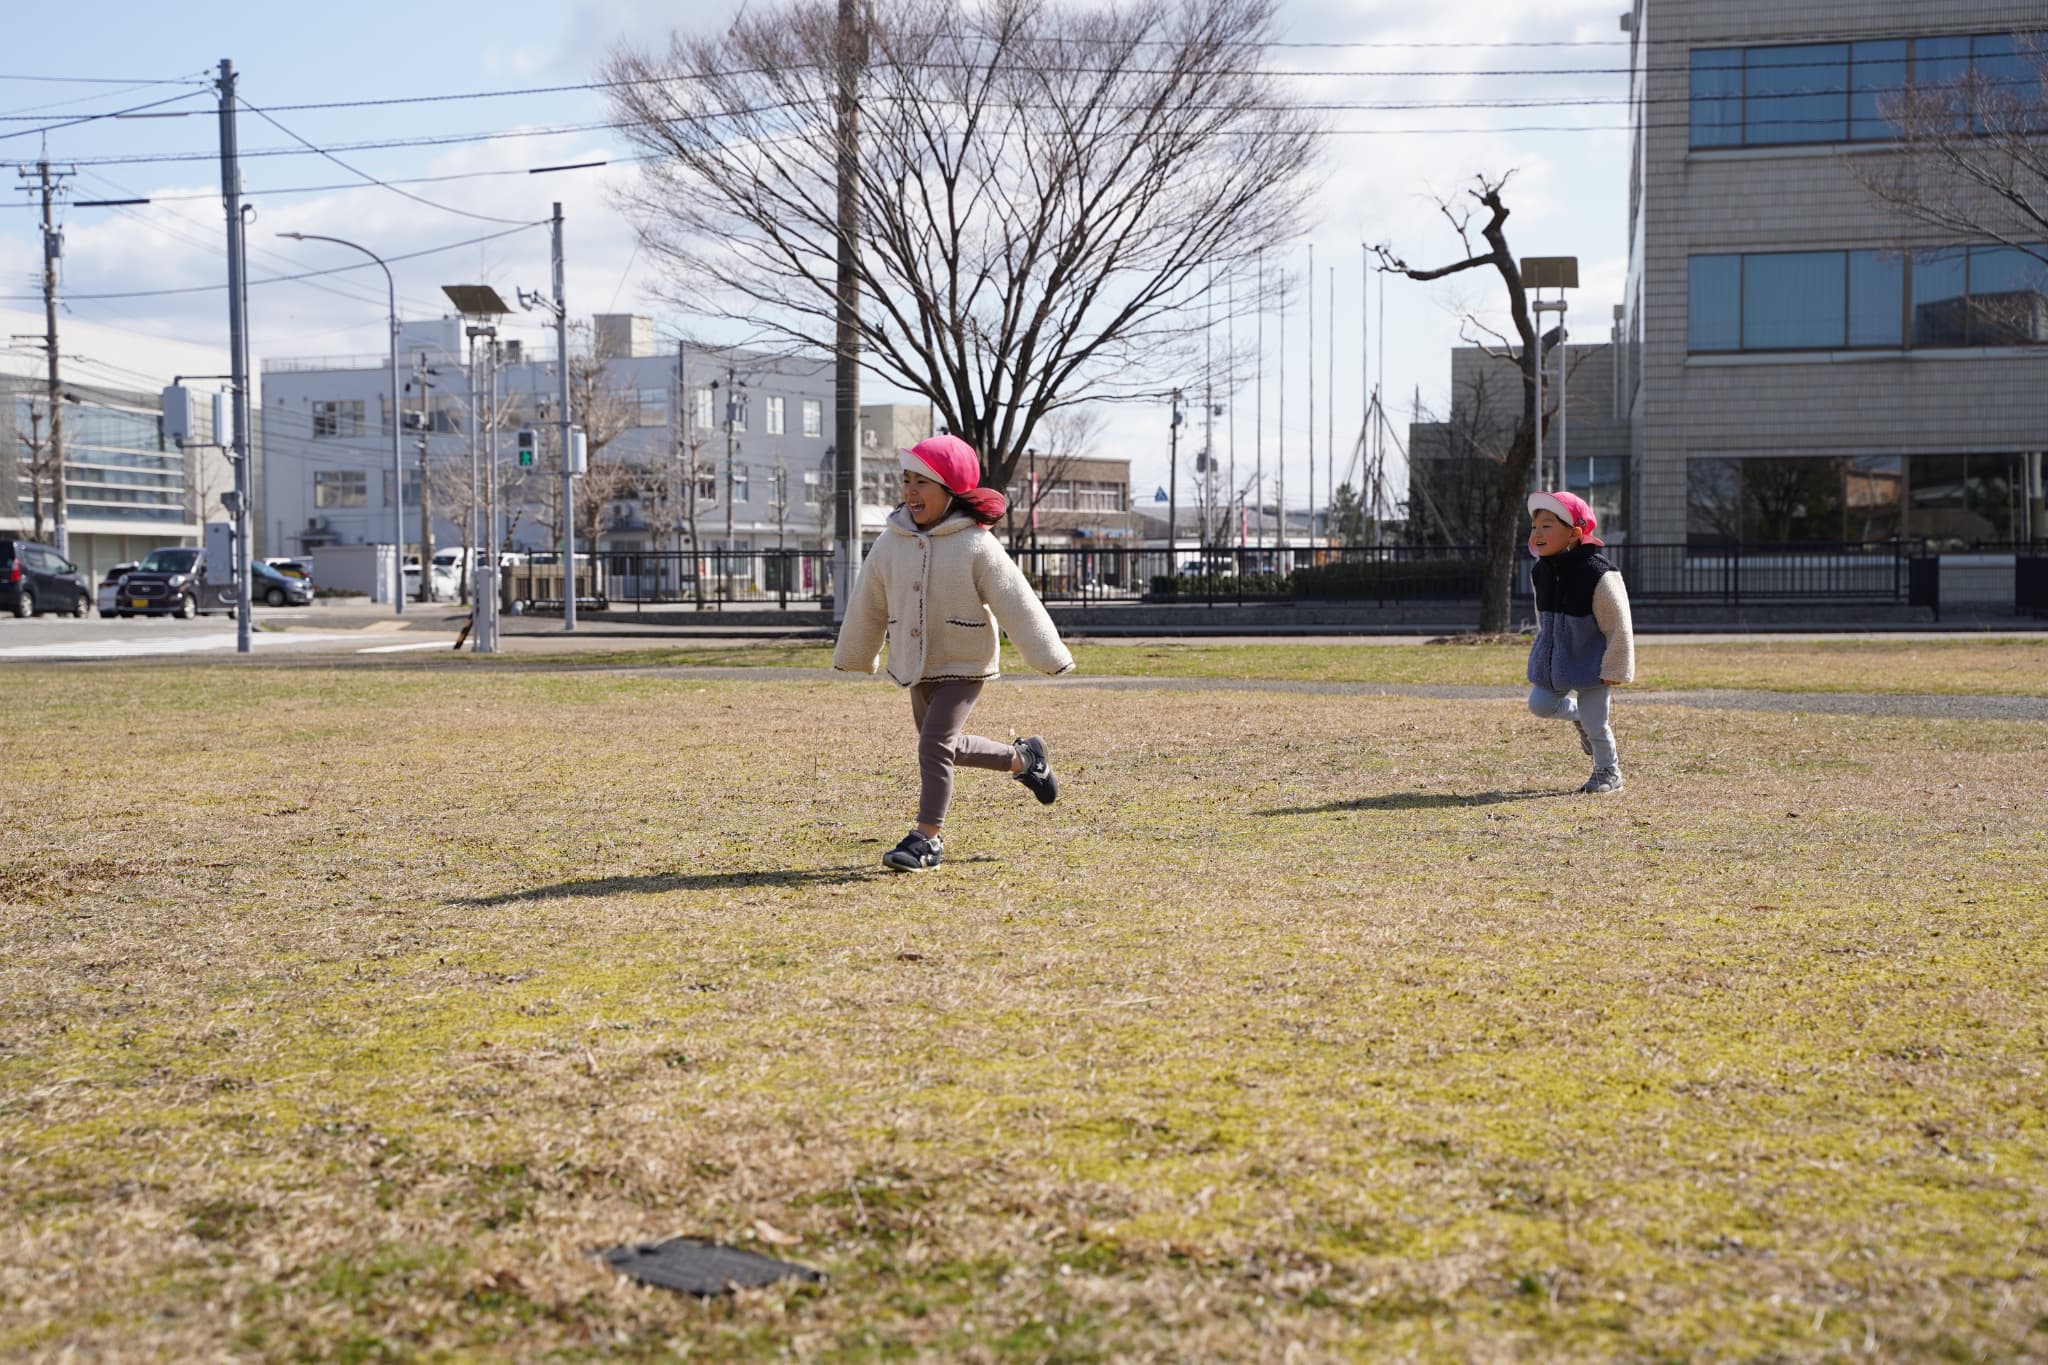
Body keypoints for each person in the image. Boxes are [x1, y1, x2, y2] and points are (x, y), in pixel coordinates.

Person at [833, 434, 1075, 871]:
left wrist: (1047, 653)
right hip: (914, 662)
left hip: (964, 661)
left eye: (922, 482)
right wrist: (857, 652)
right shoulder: (890, 541)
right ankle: (1025, 759)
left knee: (933, 745)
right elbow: (869, 599)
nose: (910, 491)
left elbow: (1015, 599)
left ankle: (926, 839)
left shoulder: (975, 543)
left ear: (950, 489)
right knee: (947, 747)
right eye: (906, 480)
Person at [1525, 490, 1635, 794]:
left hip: (1594, 663)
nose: (1537, 533)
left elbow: (1619, 625)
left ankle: (1608, 772)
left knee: (1596, 722)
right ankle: (1576, 714)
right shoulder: (1541, 571)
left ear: (1573, 534)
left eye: (1547, 526)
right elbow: (1544, 618)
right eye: (1534, 527)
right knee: (1540, 704)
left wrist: (1615, 667)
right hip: (1559, 661)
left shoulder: (1598, 574)